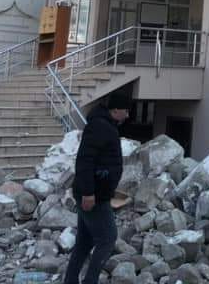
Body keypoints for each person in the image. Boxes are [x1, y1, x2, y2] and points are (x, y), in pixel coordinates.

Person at [63, 91, 130, 284]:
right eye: (125, 111)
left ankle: (70, 280)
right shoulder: (100, 127)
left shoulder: (105, 125)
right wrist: (89, 193)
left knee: (85, 241)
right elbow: (85, 161)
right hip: (94, 196)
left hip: (95, 193)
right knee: (108, 238)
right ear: (115, 110)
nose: (127, 115)